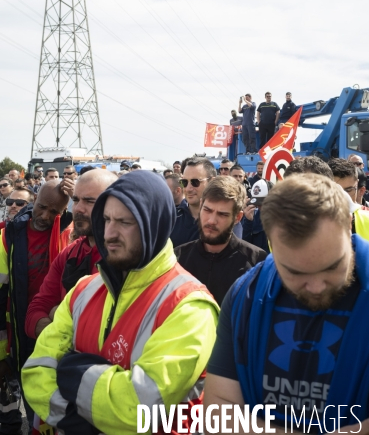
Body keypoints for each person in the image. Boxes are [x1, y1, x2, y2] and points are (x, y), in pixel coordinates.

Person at [22, 171, 218, 435]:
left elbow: (139, 407)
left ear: (154, 226)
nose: (109, 233)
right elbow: (35, 372)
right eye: (105, 219)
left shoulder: (190, 306)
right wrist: (75, 418)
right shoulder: (83, 289)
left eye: (124, 222)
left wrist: (72, 371)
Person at [204, 174, 369, 432]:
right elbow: (217, 413)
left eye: (331, 267)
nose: (316, 287)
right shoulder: (246, 295)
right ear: (272, 245)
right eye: (295, 272)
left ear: (349, 227)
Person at [0, 182, 71, 431]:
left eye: (55, 212)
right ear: (33, 201)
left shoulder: (70, 231)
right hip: (22, 331)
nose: (45, 216)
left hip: (60, 333)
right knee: (31, 397)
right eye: (41, 207)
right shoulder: (9, 234)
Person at [25, 169, 117, 341]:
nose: (78, 208)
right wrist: (61, 332)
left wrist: (56, 313)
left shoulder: (124, 258)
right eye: (75, 200)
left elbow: (101, 323)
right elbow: (35, 311)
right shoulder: (69, 253)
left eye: (89, 201)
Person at [175, 177, 266, 305]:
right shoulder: (178, 259)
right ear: (201, 206)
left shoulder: (257, 263)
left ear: (238, 218)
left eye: (222, 214)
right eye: (207, 210)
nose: (212, 220)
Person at [170, 157, 216, 247]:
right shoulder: (171, 218)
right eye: (184, 182)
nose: (188, 189)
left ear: (212, 182)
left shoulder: (223, 218)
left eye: (195, 182)